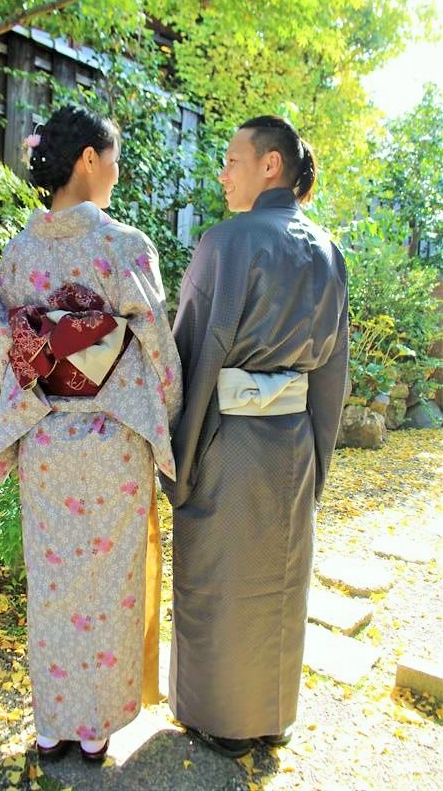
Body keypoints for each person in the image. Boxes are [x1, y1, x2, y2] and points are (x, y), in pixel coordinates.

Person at [0, 106, 181, 762]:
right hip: (112, 441)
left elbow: (12, 354)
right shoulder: (124, 246)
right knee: (104, 584)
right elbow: (156, 349)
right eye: (115, 162)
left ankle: (51, 724)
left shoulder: (18, 252)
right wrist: (166, 414)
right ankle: (94, 726)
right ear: (89, 160)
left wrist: (47, 368)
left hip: (45, 440)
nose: (117, 175)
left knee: (52, 585)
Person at [161, 115, 348, 758]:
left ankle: (224, 719)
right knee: (280, 578)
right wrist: (318, 456)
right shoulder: (327, 249)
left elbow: (191, 350)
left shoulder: (227, 241)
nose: (223, 174)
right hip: (292, 439)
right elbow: (333, 371)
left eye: (232, 160)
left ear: (271, 165)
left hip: (228, 439)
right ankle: (273, 714)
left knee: (220, 576)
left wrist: (178, 454)